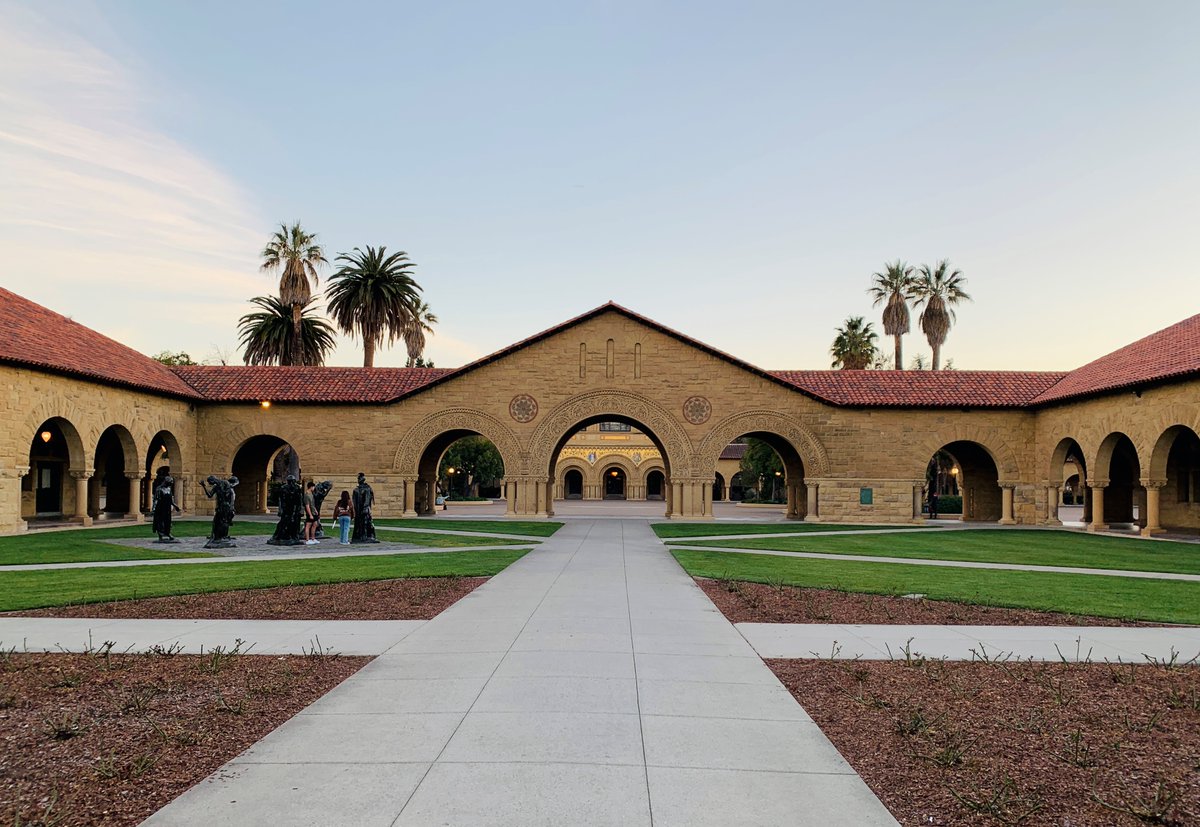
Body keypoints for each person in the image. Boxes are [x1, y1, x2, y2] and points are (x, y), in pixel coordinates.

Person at [304, 480, 318, 545]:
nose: (314, 488)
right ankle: (307, 540)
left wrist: (315, 510)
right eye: (313, 487)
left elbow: (312, 503)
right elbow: (307, 506)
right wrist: (310, 514)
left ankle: (313, 538)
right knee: (308, 525)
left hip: (313, 512)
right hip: (310, 513)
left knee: (315, 524)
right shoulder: (306, 495)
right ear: (311, 487)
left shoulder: (311, 494)